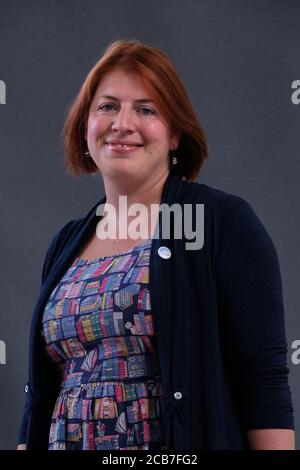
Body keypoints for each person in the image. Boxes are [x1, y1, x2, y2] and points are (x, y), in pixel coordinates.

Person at [17, 39, 295, 450]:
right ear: (85, 125)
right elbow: (41, 395)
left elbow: (263, 379)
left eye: (145, 109)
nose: (122, 123)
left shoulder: (218, 221)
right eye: (107, 106)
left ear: (176, 134)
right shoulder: (66, 242)